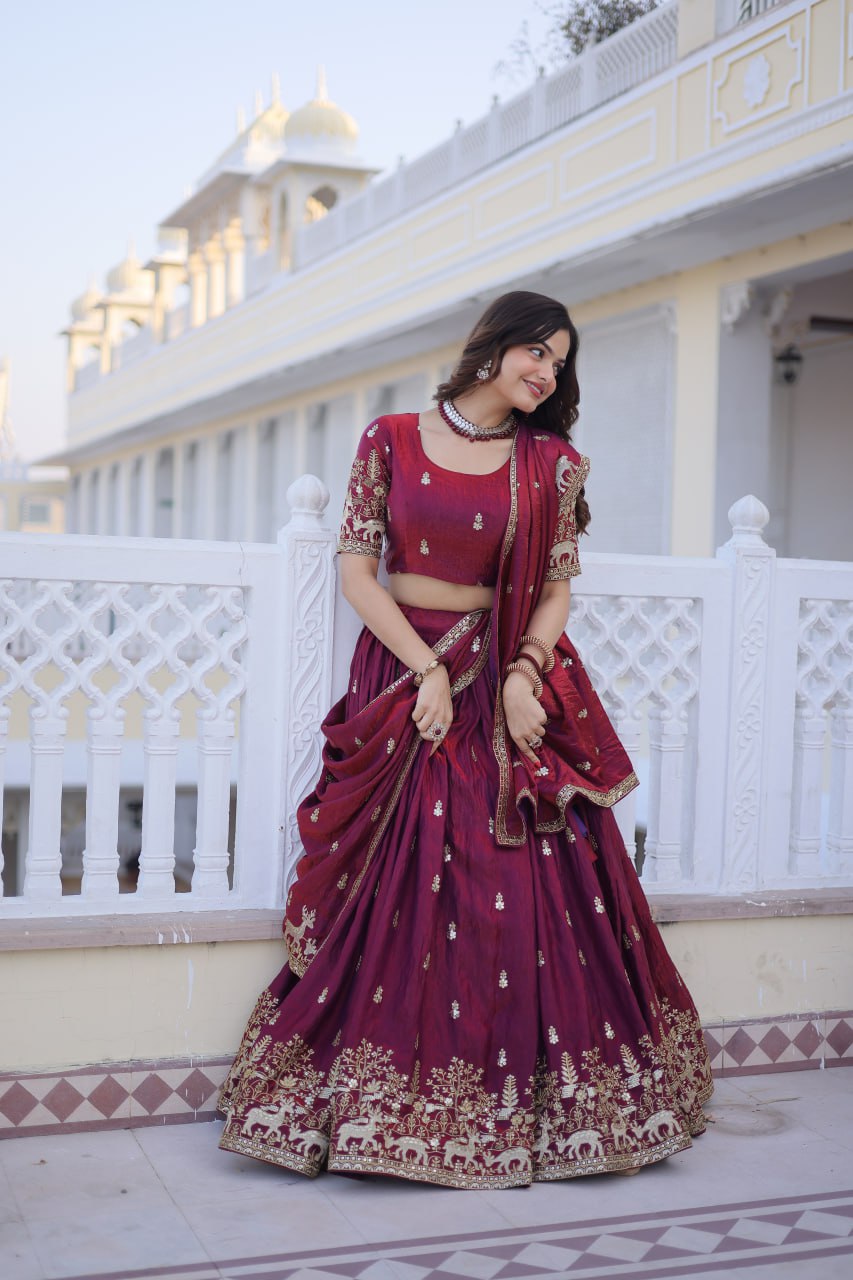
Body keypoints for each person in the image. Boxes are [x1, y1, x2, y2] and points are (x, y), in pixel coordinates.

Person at [217, 291, 713, 1188]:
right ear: (491, 347)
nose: (546, 373)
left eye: (559, 364)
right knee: (396, 885)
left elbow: (556, 586)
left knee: (509, 877)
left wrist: (523, 675)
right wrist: (424, 671)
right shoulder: (390, 439)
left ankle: (527, 1108)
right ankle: (377, 1100)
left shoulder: (551, 463)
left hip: (498, 677)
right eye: (537, 353)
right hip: (408, 679)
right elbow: (356, 570)